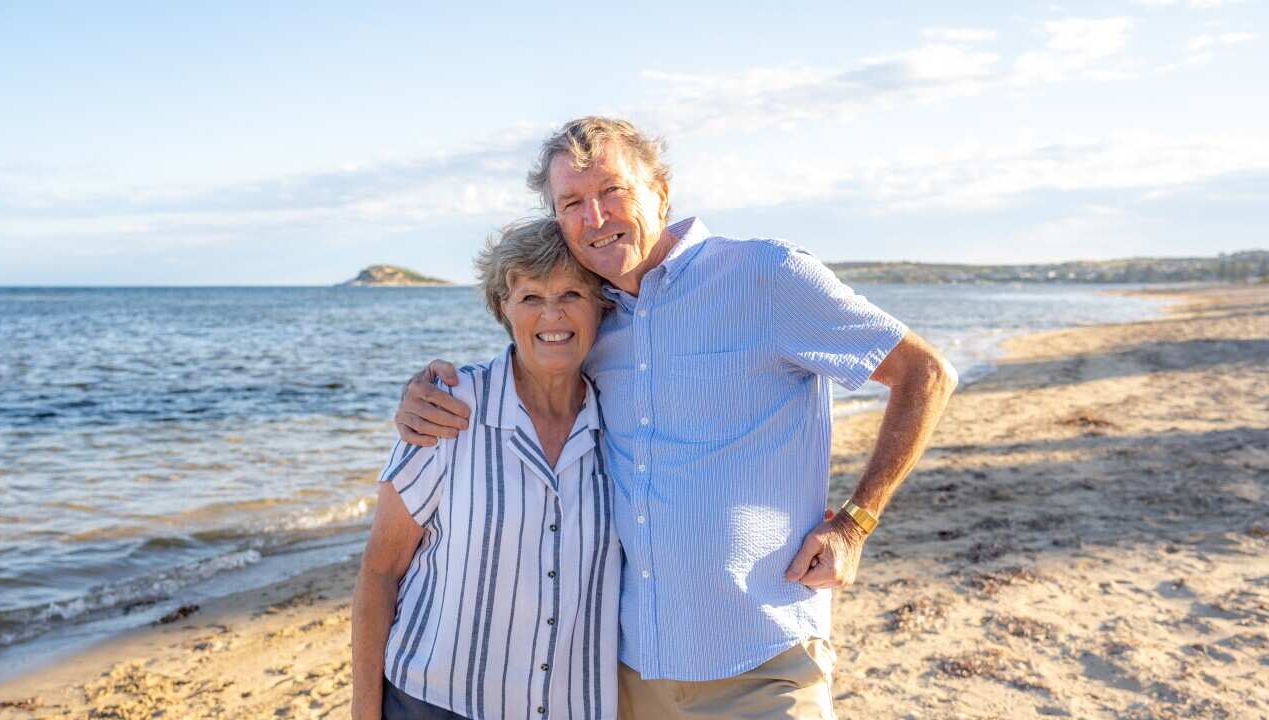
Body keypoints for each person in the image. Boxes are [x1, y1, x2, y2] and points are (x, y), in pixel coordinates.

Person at [395, 117, 958, 719]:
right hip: (634, 671)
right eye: (573, 203)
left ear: (661, 192)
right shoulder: (595, 316)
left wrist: (855, 523)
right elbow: (533, 371)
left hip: (764, 660)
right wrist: (427, 392)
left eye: (613, 192)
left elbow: (924, 373)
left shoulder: (763, 276)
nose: (595, 218)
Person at [352, 218, 621, 720]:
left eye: (571, 294)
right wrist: (365, 712)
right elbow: (380, 570)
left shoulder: (625, 422)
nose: (552, 315)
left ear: (600, 304)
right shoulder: (448, 410)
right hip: (433, 704)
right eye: (530, 298)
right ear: (503, 307)